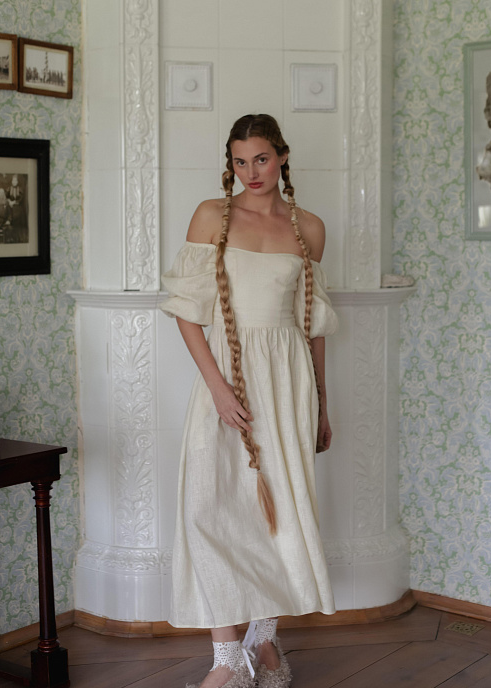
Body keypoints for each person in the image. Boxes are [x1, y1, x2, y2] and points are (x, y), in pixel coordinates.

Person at [160, 114, 338, 688]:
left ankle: (263, 641)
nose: (251, 172)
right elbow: (188, 314)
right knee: (209, 510)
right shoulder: (212, 216)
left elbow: (312, 326)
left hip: (287, 385)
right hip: (228, 380)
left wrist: (322, 404)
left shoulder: (309, 228)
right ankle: (226, 659)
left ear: (281, 155)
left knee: (277, 514)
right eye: (240, 161)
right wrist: (218, 388)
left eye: (261, 158)